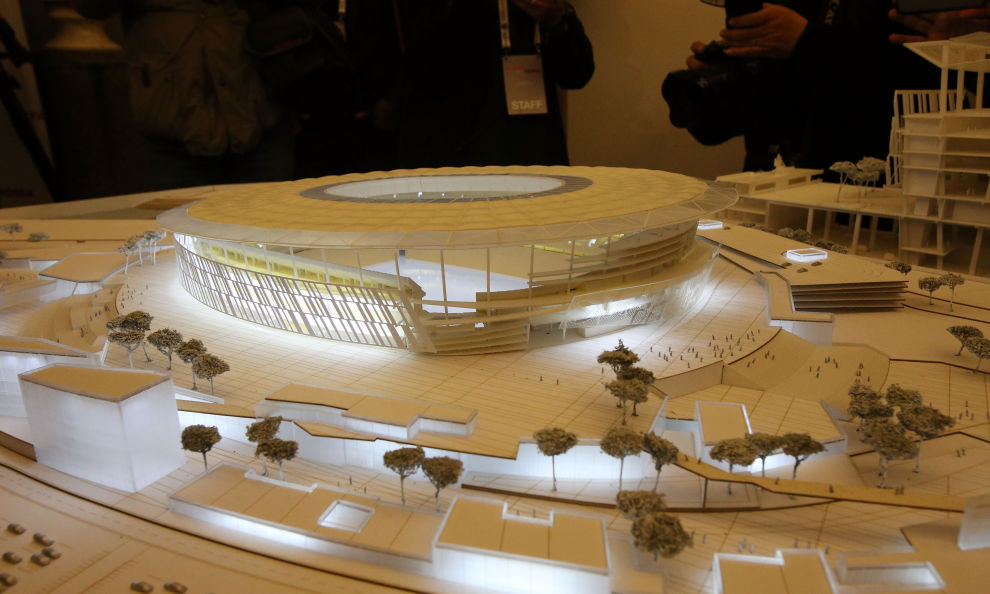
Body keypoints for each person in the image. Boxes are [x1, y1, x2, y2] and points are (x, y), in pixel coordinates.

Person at [679, 0, 939, 174]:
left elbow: (926, 83)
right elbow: (776, 102)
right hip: (773, 190)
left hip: (868, 195)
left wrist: (809, 43)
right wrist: (716, 89)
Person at [74, 0, 294, 190]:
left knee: (274, 222)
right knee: (183, 223)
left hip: (260, 118)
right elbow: (90, 7)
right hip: (173, 133)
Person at [380, 0, 594, 169]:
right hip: (454, 154)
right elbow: (418, 64)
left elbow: (577, 74)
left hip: (532, 150)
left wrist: (558, 20)